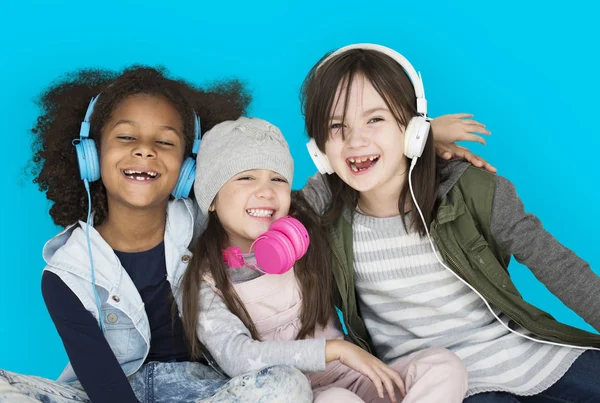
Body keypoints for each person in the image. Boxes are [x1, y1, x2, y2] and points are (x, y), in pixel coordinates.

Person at [299, 43, 600, 402]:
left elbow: (559, 266)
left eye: (375, 119)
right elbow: (272, 212)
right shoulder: (325, 221)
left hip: (526, 352)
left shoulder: (470, 189)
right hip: (434, 382)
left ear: (410, 127)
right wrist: (422, 138)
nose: (355, 140)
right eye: (336, 126)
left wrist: (422, 139)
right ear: (318, 150)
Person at [0, 66, 312, 403]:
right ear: (90, 154)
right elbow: (102, 383)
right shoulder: (66, 273)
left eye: (164, 142)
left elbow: (270, 215)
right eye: (126, 137)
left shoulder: (207, 226)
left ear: (188, 167)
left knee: (287, 384)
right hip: (109, 391)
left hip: (205, 390)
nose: (145, 150)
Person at [181, 116, 469, 402]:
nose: (266, 191)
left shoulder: (303, 223)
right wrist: (334, 349)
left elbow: (346, 172)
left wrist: (417, 140)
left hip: (353, 376)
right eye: (246, 177)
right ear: (212, 199)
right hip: (304, 395)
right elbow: (238, 357)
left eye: (278, 179)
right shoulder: (204, 280)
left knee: (443, 365)